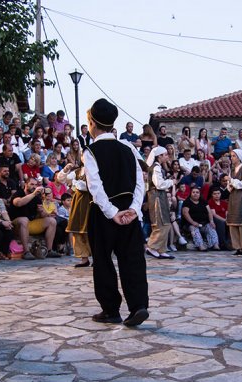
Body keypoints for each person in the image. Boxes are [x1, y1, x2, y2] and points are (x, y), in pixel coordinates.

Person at [83, 98, 148, 327]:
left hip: (104, 215)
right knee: (133, 259)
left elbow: (95, 186)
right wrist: (133, 208)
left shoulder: (90, 150)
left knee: (103, 261)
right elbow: (140, 181)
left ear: (92, 122)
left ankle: (110, 310)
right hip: (130, 213)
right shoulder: (129, 147)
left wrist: (112, 212)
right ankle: (138, 305)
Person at [143, 146, 175, 259]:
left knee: (165, 222)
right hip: (157, 196)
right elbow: (159, 184)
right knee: (161, 222)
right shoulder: (156, 167)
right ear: (159, 156)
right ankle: (151, 246)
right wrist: (171, 182)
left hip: (157, 196)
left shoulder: (156, 167)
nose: (167, 156)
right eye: (165, 154)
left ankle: (161, 249)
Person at [182, 187, 219, 251]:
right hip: (190, 224)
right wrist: (193, 222)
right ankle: (200, 246)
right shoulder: (187, 202)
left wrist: (211, 221)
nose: (195, 194)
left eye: (197, 192)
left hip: (203, 223)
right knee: (194, 229)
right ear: (190, 193)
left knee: (211, 227)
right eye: (193, 192)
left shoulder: (203, 201)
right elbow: (185, 213)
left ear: (199, 194)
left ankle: (215, 245)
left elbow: (209, 212)